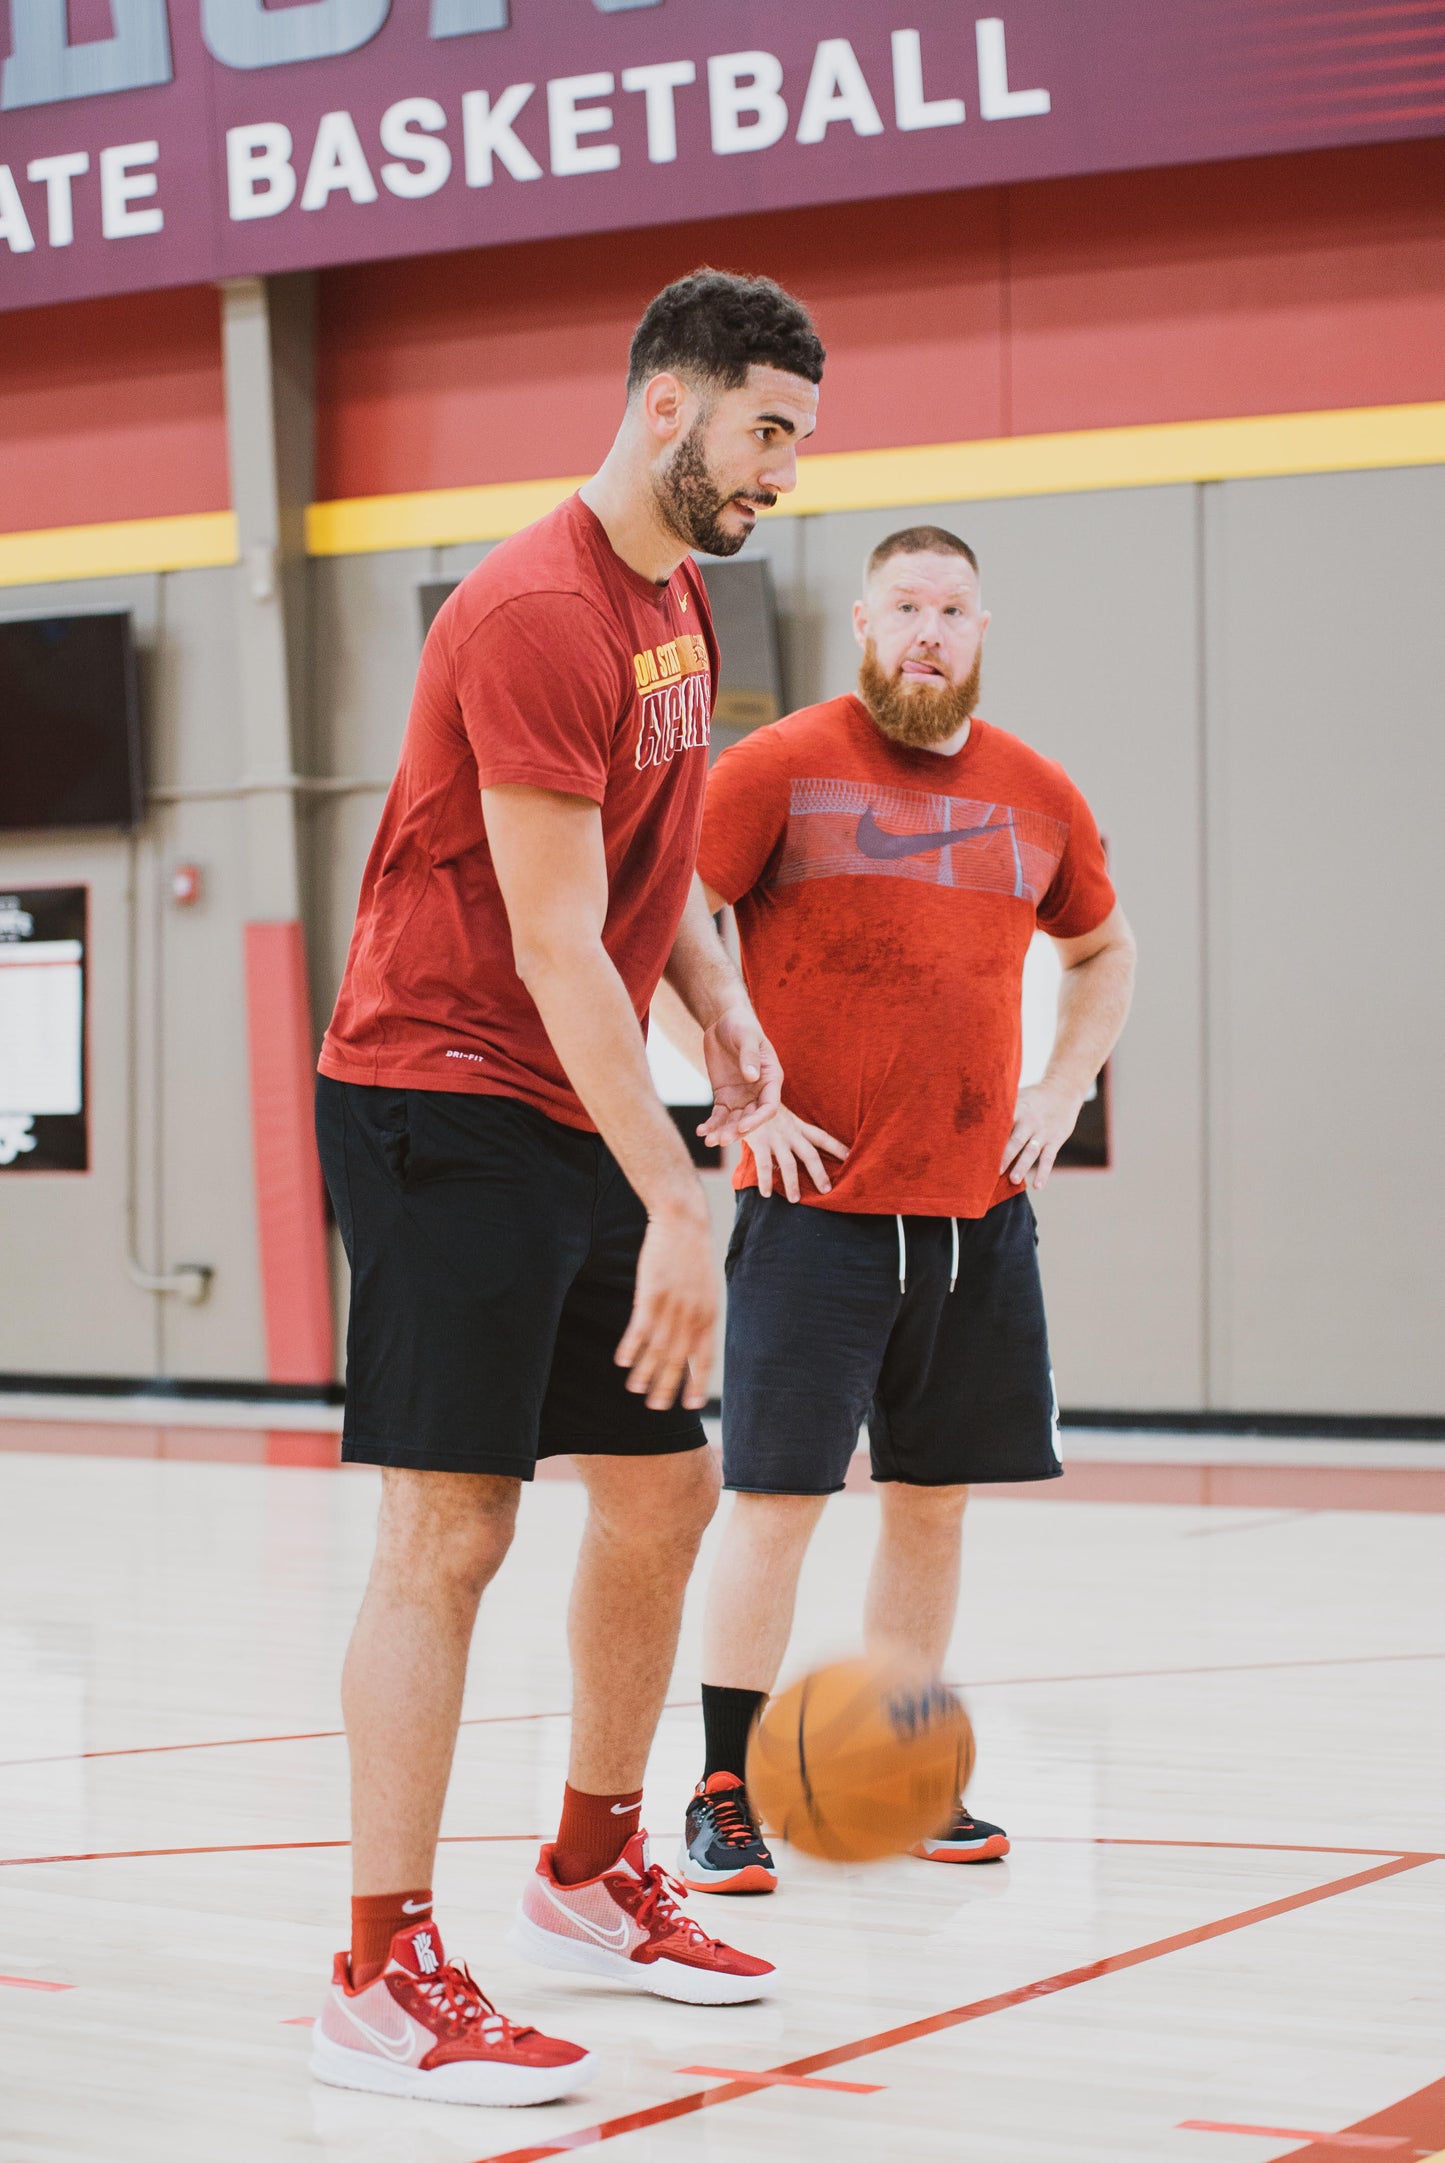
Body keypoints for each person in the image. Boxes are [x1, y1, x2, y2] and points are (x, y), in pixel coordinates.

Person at [310, 270, 825, 2107]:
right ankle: (376, 1976)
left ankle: (589, 1872)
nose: (784, 472)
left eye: (798, 443)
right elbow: (543, 940)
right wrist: (677, 1194)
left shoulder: (679, 598)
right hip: (439, 1097)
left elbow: (649, 860)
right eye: (769, 431)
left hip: (566, 1088)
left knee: (663, 1489)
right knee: (451, 1530)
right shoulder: (533, 609)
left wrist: (724, 996)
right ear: (670, 410)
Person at [658, 526, 1136, 1895]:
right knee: (776, 1504)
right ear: (864, 625)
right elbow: (662, 920)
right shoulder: (775, 769)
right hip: (816, 1216)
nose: (928, 630)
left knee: (931, 1509)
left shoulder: (1035, 792)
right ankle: (720, 1789)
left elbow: (1103, 947)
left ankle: (902, 1769)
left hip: (976, 1222)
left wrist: (1062, 1083)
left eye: (952, 610)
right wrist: (738, 1089)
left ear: (982, 630)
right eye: (906, 608)